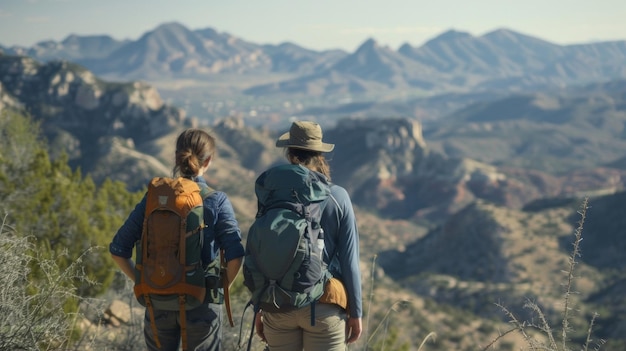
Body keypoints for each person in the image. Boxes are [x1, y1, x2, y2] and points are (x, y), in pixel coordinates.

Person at [109, 128, 245, 351]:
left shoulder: (153, 199)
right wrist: (216, 290)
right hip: (201, 303)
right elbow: (236, 255)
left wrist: (143, 281)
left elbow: (118, 249)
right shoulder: (216, 200)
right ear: (208, 160)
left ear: (176, 157)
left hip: (157, 301)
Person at [255, 120, 363, 351]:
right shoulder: (337, 196)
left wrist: (258, 306)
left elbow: (260, 250)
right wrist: (356, 312)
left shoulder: (271, 195)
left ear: (290, 154)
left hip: (278, 303)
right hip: (325, 306)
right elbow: (350, 261)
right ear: (320, 154)